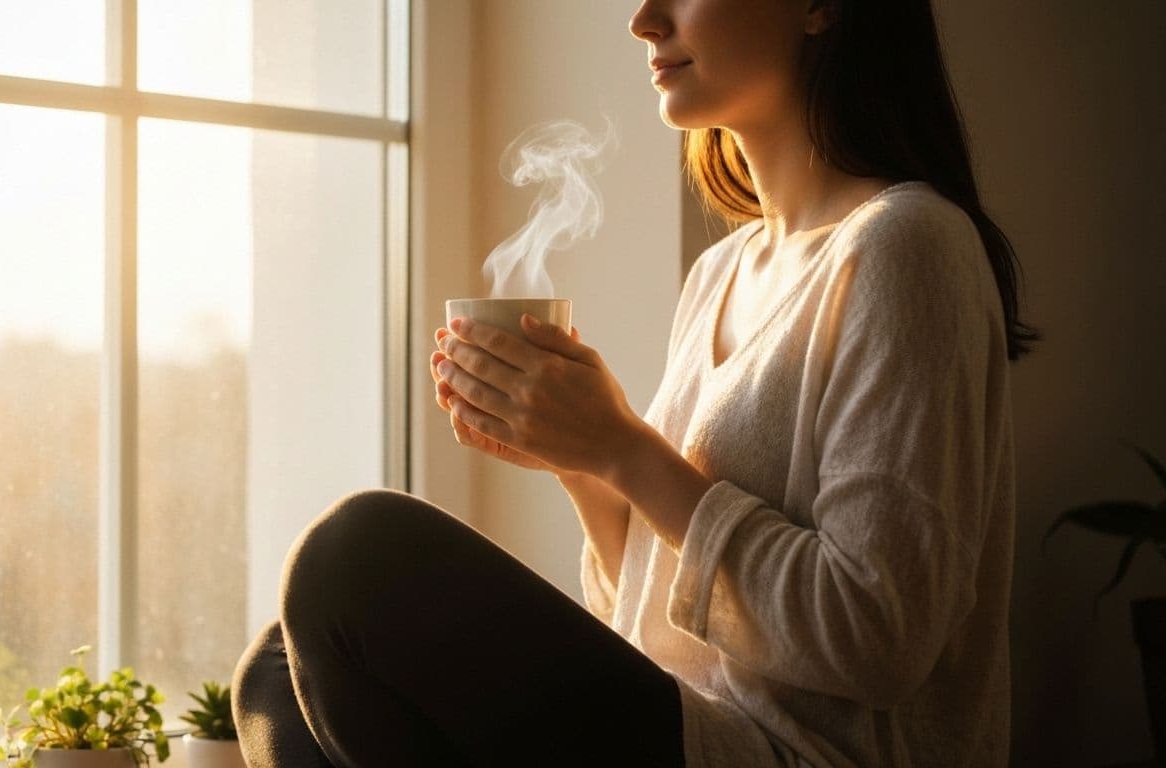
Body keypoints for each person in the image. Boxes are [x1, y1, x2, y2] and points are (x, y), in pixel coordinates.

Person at [231, 0, 1034, 764]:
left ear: (821, 5)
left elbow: (875, 638)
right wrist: (581, 463)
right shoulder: (722, 271)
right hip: (687, 724)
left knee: (354, 554)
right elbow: (656, 618)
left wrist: (623, 449)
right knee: (274, 671)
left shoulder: (906, 243)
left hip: (785, 755)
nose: (643, 20)